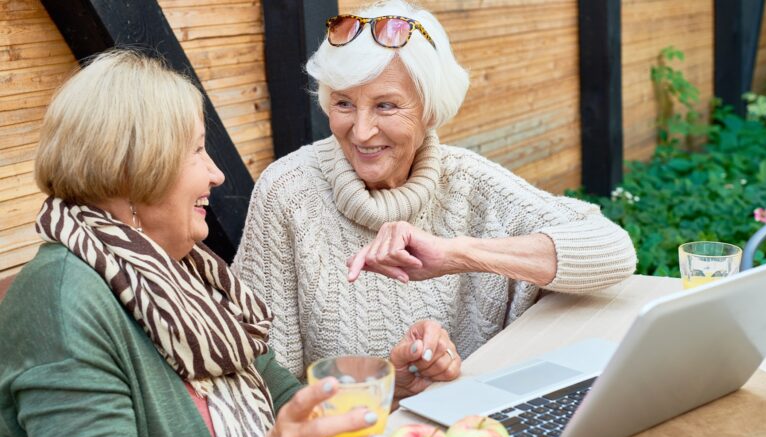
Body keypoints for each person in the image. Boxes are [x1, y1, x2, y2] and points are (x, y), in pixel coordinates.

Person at [0, 50, 449, 437]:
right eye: (196, 150)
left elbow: (285, 402)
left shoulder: (185, 272)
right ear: (135, 169)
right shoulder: (58, 296)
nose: (216, 174)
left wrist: (388, 384)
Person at [232, 0, 637, 380]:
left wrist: (455, 254)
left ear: (429, 109)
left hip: (470, 427)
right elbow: (260, 374)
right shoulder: (287, 190)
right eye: (343, 104)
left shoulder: (468, 181)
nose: (361, 130)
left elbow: (612, 250)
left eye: (386, 106)